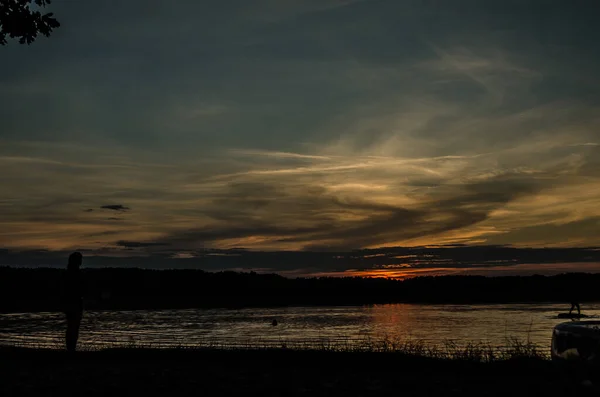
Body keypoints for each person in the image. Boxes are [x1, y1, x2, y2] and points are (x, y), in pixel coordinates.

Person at [63, 252, 84, 352]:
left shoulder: (69, 273)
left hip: (71, 303)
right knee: (73, 326)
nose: (81, 261)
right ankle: (71, 348)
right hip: (74, 303)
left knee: (72, 326)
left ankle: (71, 348)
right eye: (80, 259)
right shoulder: (75, 273)